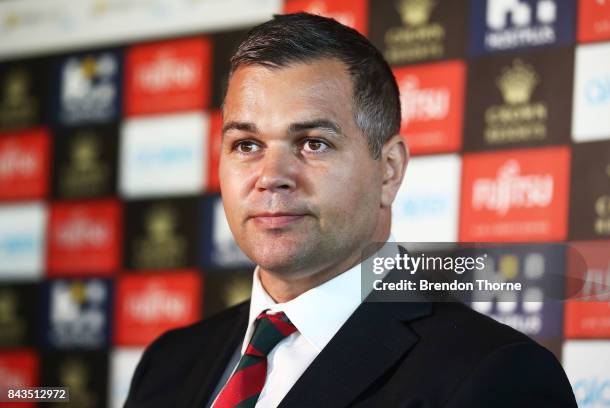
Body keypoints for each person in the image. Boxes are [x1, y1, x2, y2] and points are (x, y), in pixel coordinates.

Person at [124, 13, 577, 408]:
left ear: (390, 170)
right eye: (247, 144)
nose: (271, 175)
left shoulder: (495, 375)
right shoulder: (170, 361)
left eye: (313, 143)